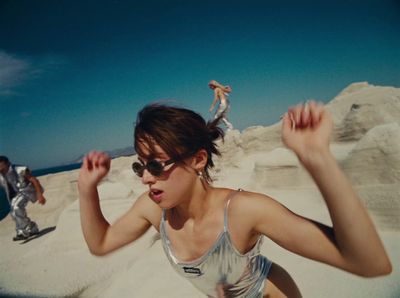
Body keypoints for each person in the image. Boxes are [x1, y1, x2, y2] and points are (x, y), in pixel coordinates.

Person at [78, 102, 392, 297]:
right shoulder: (153, 208)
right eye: (140, 165)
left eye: (156, 165)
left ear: (198, 160)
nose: (146, 177)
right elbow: (101, 243)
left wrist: (318, 159)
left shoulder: (243, 211)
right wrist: (86, 189)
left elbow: (369, 263)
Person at [0, 156, 46, 241]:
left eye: (1, 166)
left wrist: (40, 195)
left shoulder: (20, 169)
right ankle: (32, 229)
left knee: (17, 207)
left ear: (7, 164)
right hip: (14, 195)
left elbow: (34, 180)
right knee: (13, 213)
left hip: (26, 191)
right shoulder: (1, 175)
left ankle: (23, 232)